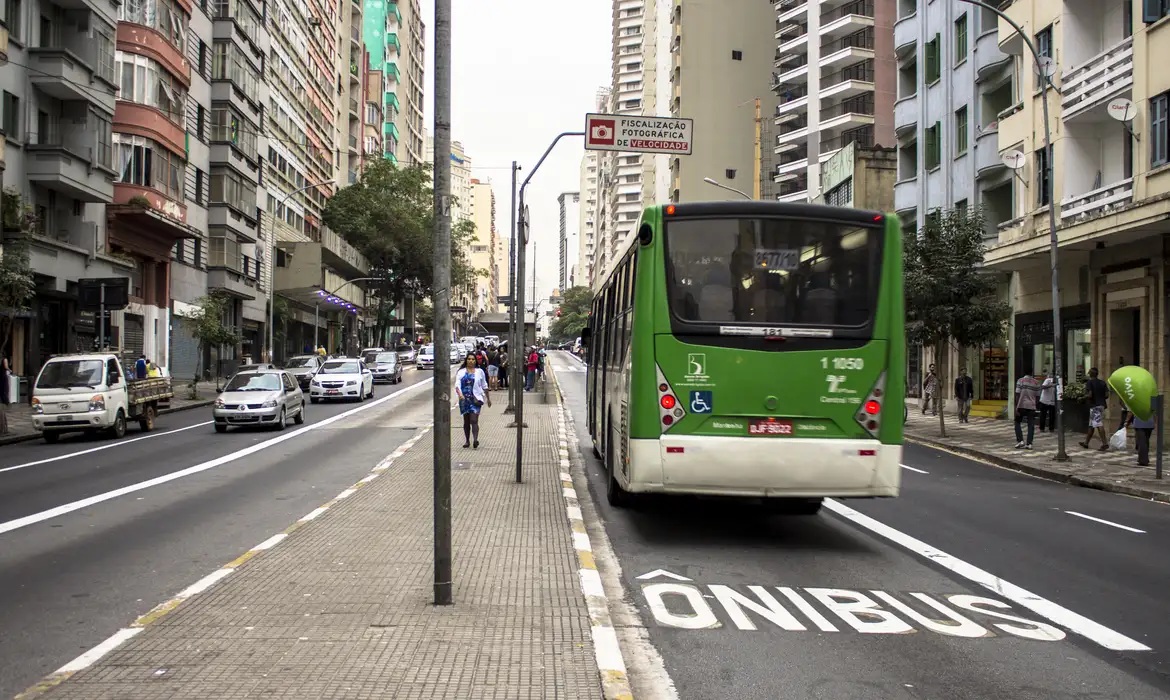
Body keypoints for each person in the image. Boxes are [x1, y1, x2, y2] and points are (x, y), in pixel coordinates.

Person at [456, 353, 490, 449]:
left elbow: (484, 385)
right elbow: (457, 385)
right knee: (466, 421)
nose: (471, 361)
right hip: (464, 400)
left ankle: (475, 439)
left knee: (474, 420)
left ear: (475, 361)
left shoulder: (480, 372)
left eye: (473, 359)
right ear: (466, 360)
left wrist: (488, 398)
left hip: (475, 399)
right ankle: (467, 441)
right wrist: (460, 394)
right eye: (469, 359)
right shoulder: (461, 372)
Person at [1079, 367, 1110, 451]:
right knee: (1091, 425)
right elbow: (1107, 395)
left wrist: (1082, 398)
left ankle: (1105, 444)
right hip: (1101, 405)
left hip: (1094, 405)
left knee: (1098, 424)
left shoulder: (1090, 382)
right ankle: (1086, 443)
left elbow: (1090, 395)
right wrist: (1100, 397)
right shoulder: (1102, 382)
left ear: (1090, 374)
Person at [1014, 369, 1041, 449]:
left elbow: (1017, 394)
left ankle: (1020, 441)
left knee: (1017, 422)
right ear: (1032, 373)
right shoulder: (1036, 382)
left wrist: (1016, 406)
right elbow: (1038, 396)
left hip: (1021, 405)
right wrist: (1035, 404)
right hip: (1031, 406)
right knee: (1031, 425)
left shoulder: (1020, 381)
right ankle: (1029, 443)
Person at [0, 357, 11, 435]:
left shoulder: (4, 373)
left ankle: (4, 429)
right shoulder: (3, 374)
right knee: (1, 413)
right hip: (2, 396)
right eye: (5, 363)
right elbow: (4, 388)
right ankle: (3, 429)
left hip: (3, 396)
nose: (7, 365)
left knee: (2, 413)